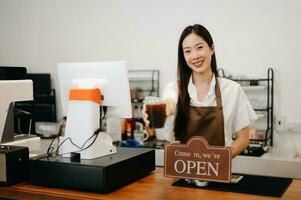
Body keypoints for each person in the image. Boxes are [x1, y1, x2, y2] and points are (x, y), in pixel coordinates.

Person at [142, 24, 257, 158]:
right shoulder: (174, 88)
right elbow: (170, 103)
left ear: (212, 49)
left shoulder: (232, 90)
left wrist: (219, 160)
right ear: (183, 56)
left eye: (199, 48)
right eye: (188, 51)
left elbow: (243, 139)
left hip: (217, 172)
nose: (195, 56)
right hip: (181, 171)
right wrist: (165, 110)